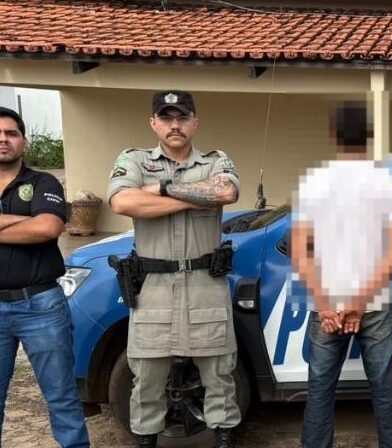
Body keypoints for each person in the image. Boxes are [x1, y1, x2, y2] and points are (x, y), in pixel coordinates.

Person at [107, 91, 242, 448]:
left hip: (205, 287)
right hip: (153, 290)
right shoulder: (133, 160)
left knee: (220, 378)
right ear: (153, 123)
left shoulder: (216, 160)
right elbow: (123, 201)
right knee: (147, 381)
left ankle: (223, 439)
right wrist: (193, 197)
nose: (175, 125)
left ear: (195, 122)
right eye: (166, 118)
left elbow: (225, 192)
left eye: (182, 117)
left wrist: (162, 189)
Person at [293, 103, 392, 448]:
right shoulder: (389, 182)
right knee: (385, 390)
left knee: (319, 390)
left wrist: (325, 303)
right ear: (369, 135)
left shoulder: (314, 183)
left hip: (326, 308)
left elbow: (300, 250)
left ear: (334, 135)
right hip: (374, 306)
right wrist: (359, 301)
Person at [0, 107, 90, 447]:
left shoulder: (43, 182)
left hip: (40, 305)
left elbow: (49, 227)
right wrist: (25, 219)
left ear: (23, 141)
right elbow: (36, 223)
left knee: (61, 397)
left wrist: (35, 222)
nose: (4, 140)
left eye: (11, 133)